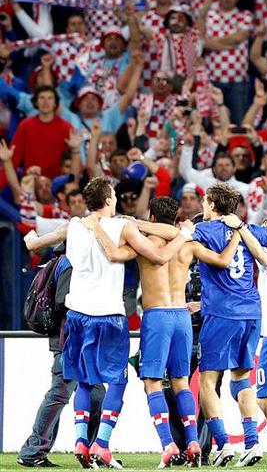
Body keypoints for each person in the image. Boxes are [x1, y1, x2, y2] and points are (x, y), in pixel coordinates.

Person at [85, 197, 241, 467]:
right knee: (182, 382)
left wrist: (98, 229)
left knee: (153, 383)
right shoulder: (189, 244)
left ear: (152, 218)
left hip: (156, 317)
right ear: (176, 218)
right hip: (182, 316)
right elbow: (223, 260)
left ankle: (168, 444)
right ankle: (193, 443)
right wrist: (237, 235)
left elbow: (115, 254)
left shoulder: (143, 244)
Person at [64, 178, 191, 468]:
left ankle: (81, 441)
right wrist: (184, 232)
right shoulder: (122, 227)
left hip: (76, 313)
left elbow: (53, 237)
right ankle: (101, 444)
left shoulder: (75, 225)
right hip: (109, 314)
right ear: (109, 200)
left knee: (84, 381)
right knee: (118, 381)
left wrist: (34, 241)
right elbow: (159, 255)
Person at [190, 183, 267, 467]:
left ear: (213, 205)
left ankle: (223, 444)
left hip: (222, 314)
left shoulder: (203, 230)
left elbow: (175, 235)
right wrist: (242, 230)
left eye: (204, 202)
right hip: (251, 312)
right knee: (241, 379)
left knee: (207, 381)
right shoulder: (249, 229)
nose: (202, 206)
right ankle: (252, 443)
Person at [17, 246, 103, 468]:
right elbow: (62, 301)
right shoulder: (71, 263)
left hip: (74, 341)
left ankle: (92, 452)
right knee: (59, 394)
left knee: (96, 395)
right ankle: (32, 451)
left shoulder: (61, 260)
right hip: (70, 341)